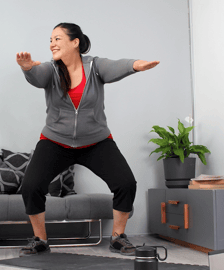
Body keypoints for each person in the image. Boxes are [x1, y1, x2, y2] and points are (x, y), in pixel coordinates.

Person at [15, 22, 160, 257]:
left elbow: (116, 66)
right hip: (55, 141)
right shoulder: (50, 69)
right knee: (31, 187)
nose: (52, 43)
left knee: (125, 183)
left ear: (75, 42)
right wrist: (27, 69)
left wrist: (136, 65)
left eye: (57, 38)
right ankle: (40, 240)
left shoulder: (95, 66)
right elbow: (37, 77)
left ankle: (117, 238)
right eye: (50, 40)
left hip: (96, 141)